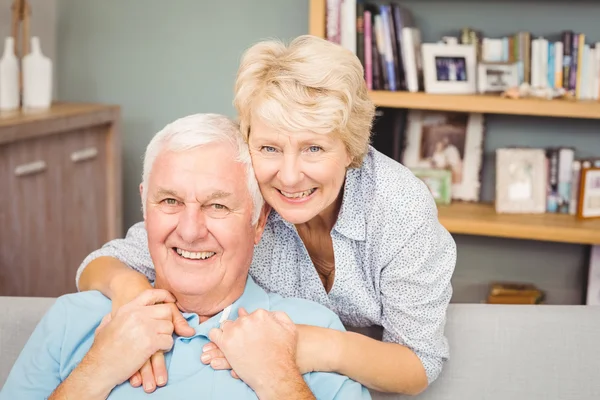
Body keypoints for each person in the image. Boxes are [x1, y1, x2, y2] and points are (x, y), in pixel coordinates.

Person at [76, 35, 457, 396]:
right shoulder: (241, 194)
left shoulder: (398, 205)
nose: (289, 177)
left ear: (350, 148)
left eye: (313, 148)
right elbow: (101, 265)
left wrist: (310, 344)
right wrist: (133, 295)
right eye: (270, 147)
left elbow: (419, 364)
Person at [0, 114, 371, 400]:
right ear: (145, 207)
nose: (190, 230)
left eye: (217, 205)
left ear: (259, 222)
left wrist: (279, 380)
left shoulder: (308, 329)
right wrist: (95, 370)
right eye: (170, 201)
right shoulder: (73, 319)